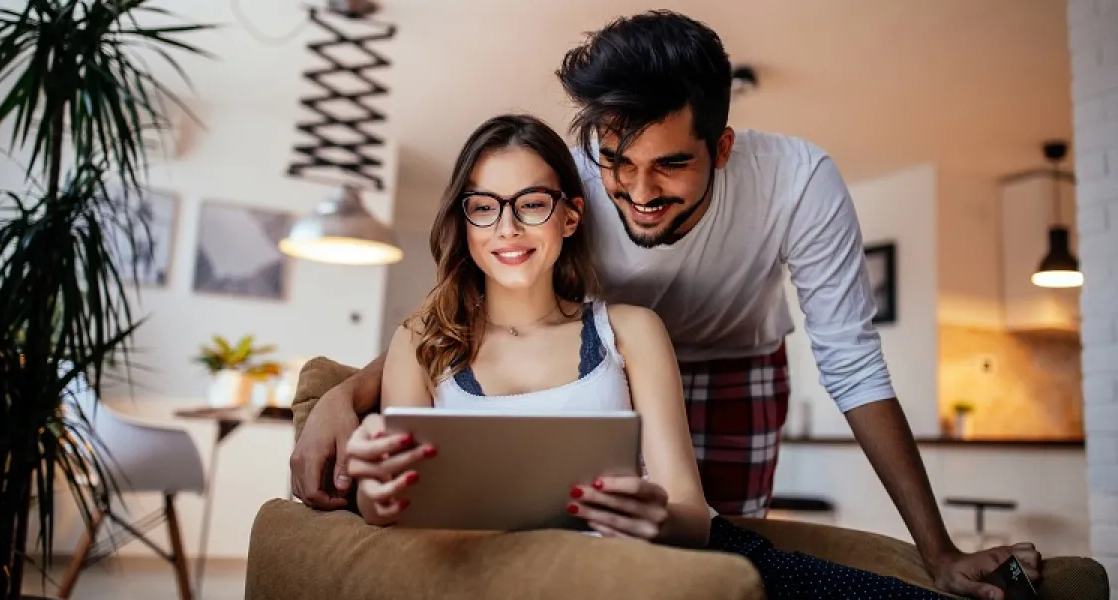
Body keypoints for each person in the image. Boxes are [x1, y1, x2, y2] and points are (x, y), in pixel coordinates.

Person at [290, 10, 1041, 599]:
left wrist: (939, 553)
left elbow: (852, 364)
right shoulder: (561, 183)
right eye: (618, 164)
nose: (639, 194)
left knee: (722, 550)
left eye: (671, 165)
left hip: (736, 359)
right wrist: (345, 397)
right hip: (606, 358)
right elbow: (472, 310)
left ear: (721, 148)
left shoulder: (798, 182)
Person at [347, 112, 977, 599]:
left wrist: (658, 517)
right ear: (464, 221)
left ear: (570, 216)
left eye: (532, 204)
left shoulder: (631, 332)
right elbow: (392, 512)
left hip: (634, 573)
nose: (507, 228)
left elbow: (691, 516)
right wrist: (375, 488)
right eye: (484, 208)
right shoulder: (420, 343)